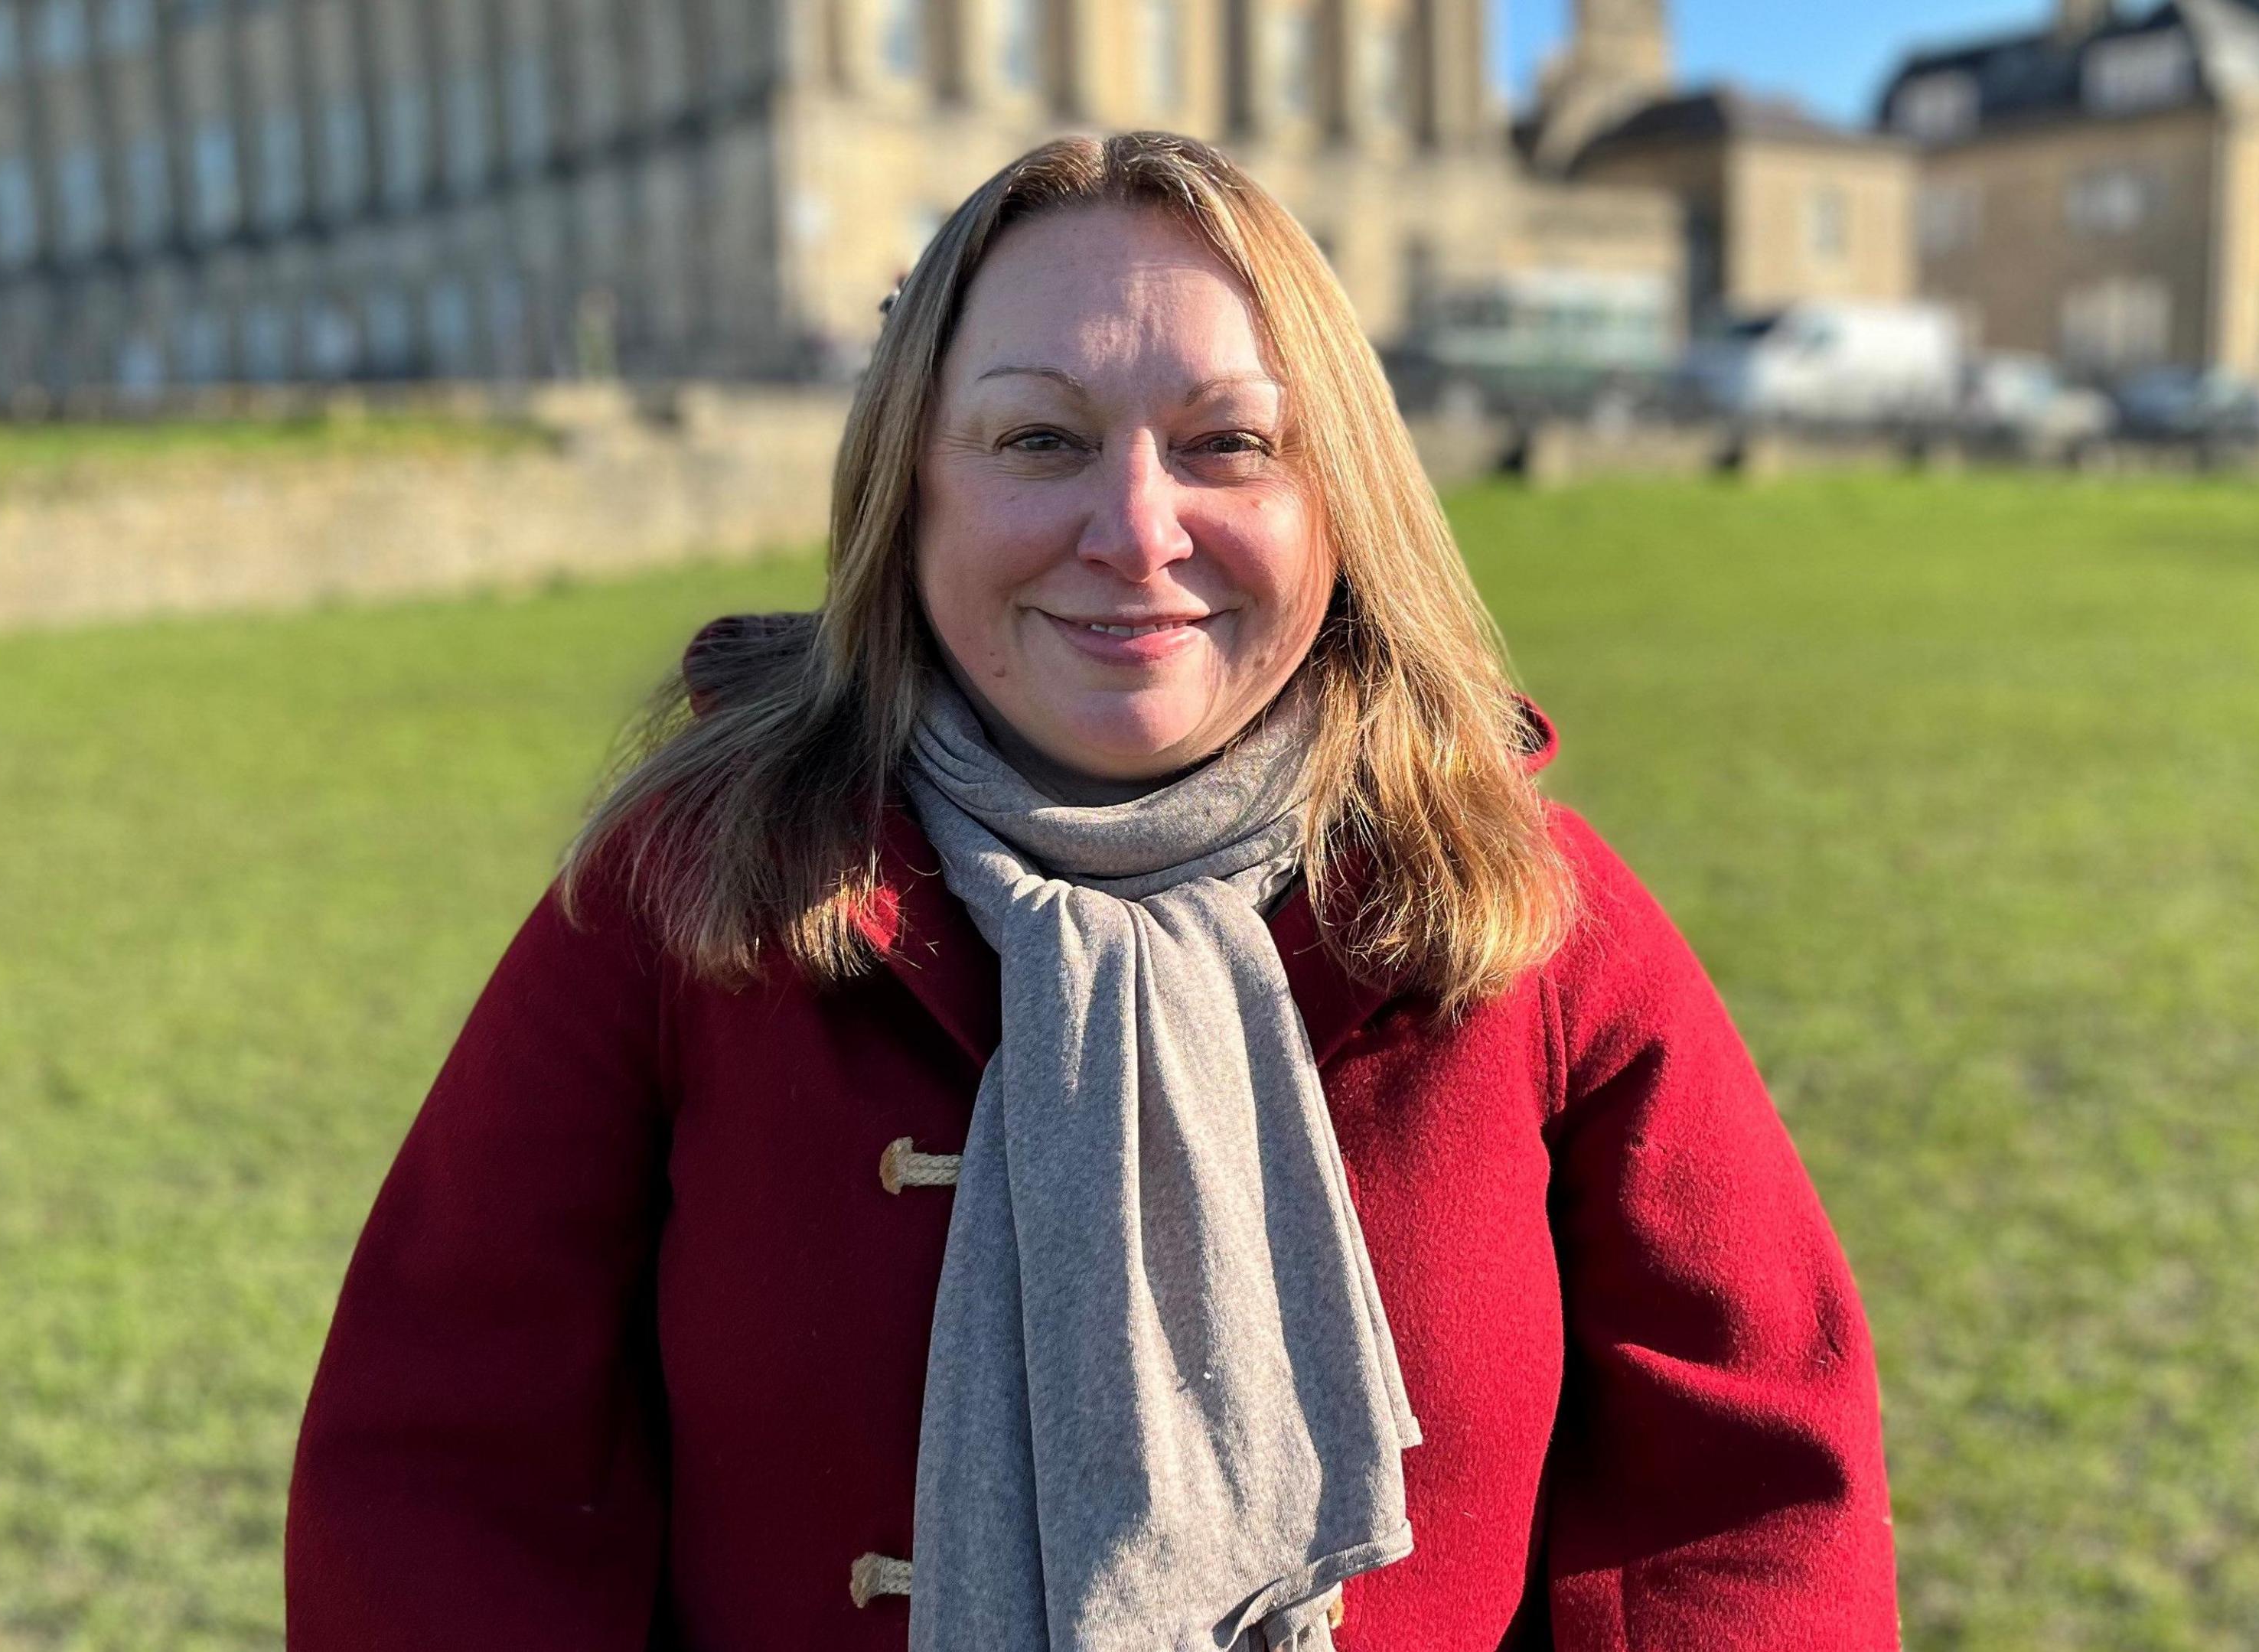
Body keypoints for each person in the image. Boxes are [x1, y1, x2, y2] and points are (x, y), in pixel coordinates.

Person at [286, 132, 1898, 1651]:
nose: (1135, 530)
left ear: (1338, 501)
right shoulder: (689, 887)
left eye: (1229, 445)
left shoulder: (1538, 915)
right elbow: (448, 1477)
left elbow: (1744, 1510)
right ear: (909, 492)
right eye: (1038, 440)